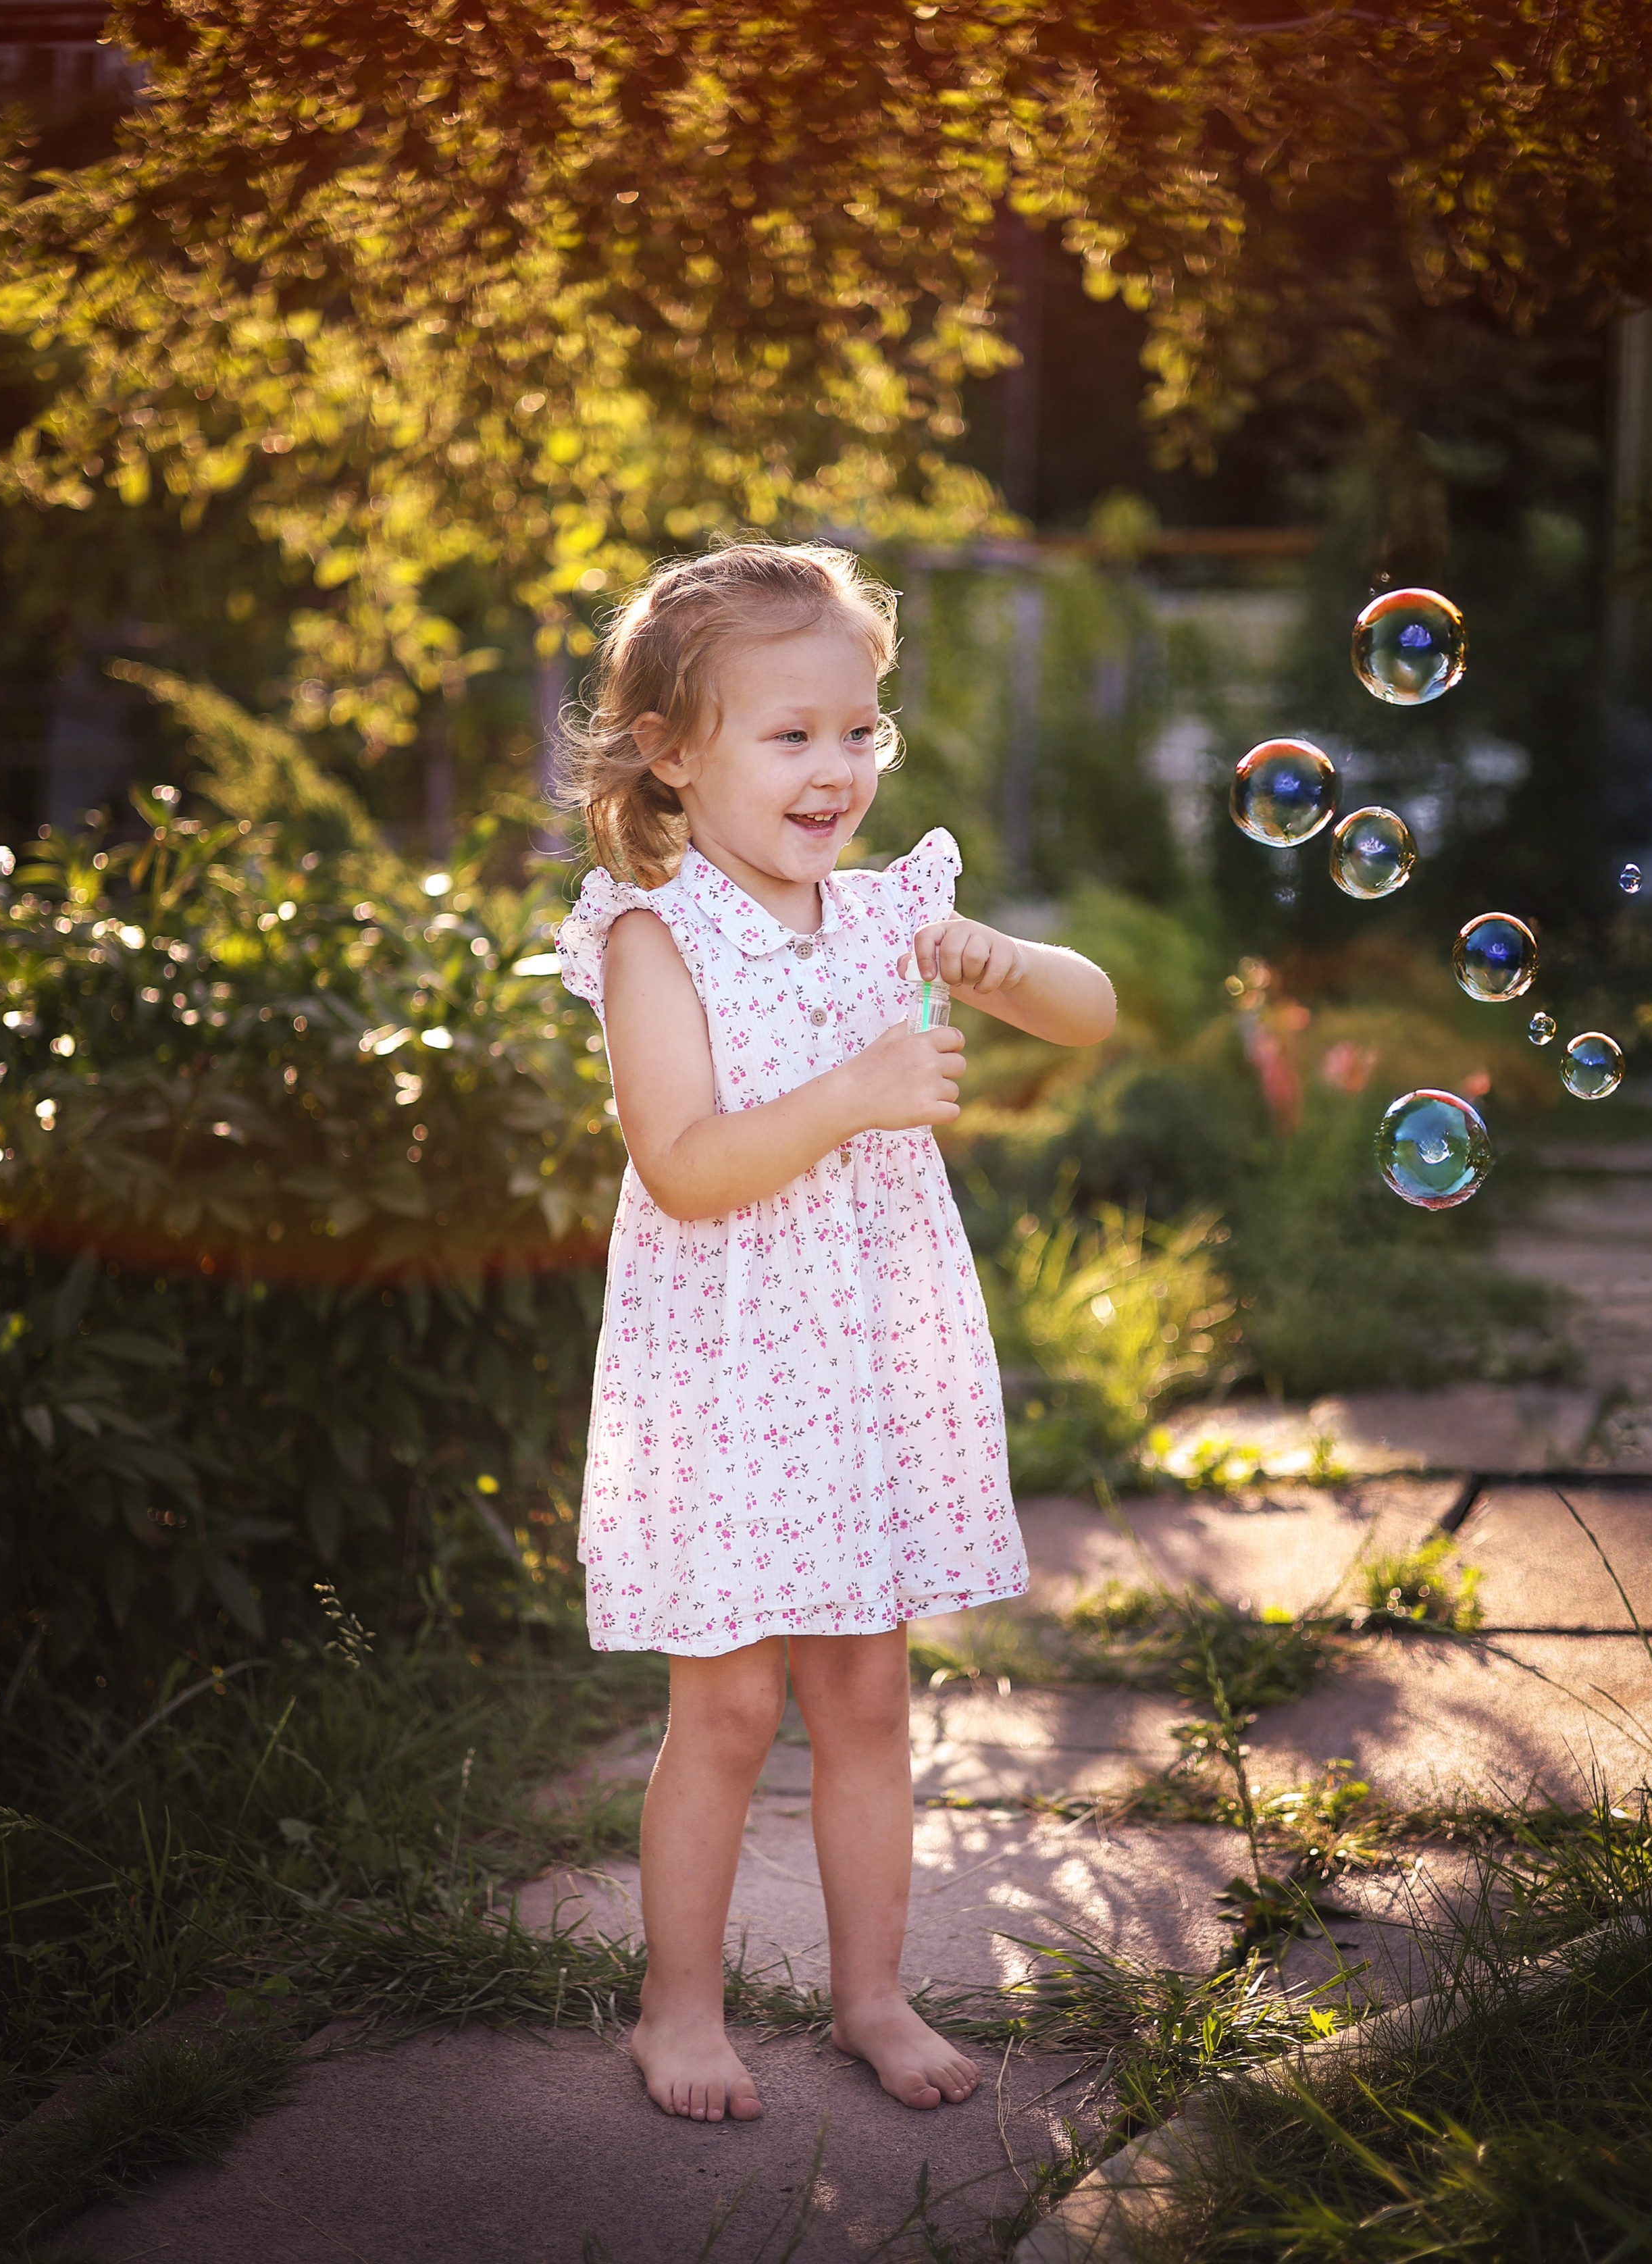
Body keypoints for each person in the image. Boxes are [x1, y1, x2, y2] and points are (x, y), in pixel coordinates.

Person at [554, 541, 1116, 2127]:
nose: (836, 767)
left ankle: (872, 1991)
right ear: (672, 750)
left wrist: (1000, 963)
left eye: (858, 729)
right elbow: (683, 1160)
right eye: (789, 734)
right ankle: (679, 2006)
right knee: (725, 1709)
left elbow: (1085, 1010)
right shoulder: (655, 937)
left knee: (868, 1694)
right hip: (730, 1372)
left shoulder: (892, 913)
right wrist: (854, 1093)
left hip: (867, 1364)